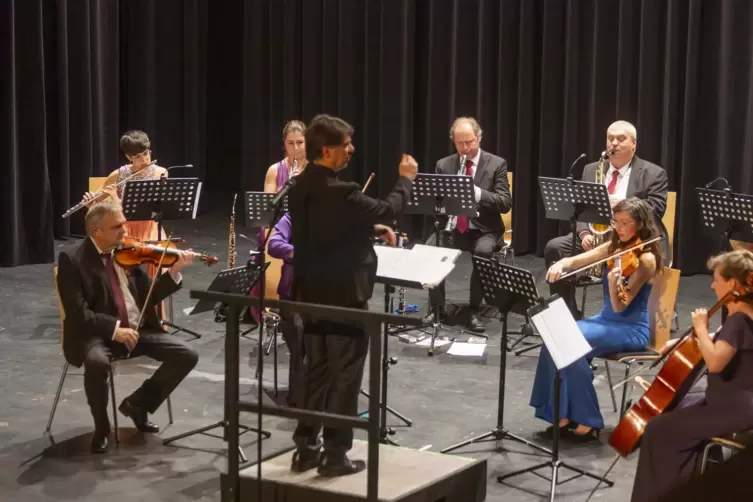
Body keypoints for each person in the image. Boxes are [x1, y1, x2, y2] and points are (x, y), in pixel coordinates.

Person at [288, 114, 417, 476]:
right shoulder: (340, 191)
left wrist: (365, 227)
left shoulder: (298, 187)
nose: (351, 149)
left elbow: (326, 232)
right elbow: (389, 209)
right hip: (344, 297)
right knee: (346, 377)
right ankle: (335, 455)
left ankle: (305, 449)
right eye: (346, 144)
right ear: (327, 151)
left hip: (310, 295)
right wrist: (405, 179)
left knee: (316, 373)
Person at [56, 200, 199, 454]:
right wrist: (114, 330)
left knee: (186, 354)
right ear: (97, 230)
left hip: (136, 330)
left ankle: (138, 405)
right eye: (118, 227)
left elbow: (148, 296)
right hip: (95, 335)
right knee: (98, 363)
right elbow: (79, 315)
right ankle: (102, 428)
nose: (125, 231)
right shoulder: (72, 260)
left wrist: (174, 272)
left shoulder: (126, 254)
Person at [532, 197, 663, 440]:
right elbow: (583, 258)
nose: (620, 228)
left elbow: (620, 305)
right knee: (554, 338)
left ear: (641, 225)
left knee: (569, 342)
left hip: (630, 328)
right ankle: (562, 413)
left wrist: (614, 282)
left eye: (626, 223)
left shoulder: (646, 260)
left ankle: (588, 419)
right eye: (617, 222)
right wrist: (563, 263)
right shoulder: (616, 245)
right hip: (605, 321)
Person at [631, 248, 753, 502]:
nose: (712, 285)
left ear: (732, 283)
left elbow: (716, 362)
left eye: (717, 279)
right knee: (680, 408)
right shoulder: (746, 314)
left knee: (657, 429)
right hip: (741, 403)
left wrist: (699, 326)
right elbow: (722, 341)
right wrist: (680, 340)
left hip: (729, 409)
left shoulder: (738, 319)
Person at [544, 121, 669, 319]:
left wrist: (624, 203)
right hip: (595, 234)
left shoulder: (653, 173)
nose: (614, 144)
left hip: (631, 239)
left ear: (634, 143)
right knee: (555, 247)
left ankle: (617, 317)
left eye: (621, 139)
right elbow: (580, 206)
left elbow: (658, 210)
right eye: (610, 139)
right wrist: (584, 232)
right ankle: (568, 315)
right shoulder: (591, 169)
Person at [424, 117, 512, 333]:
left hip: (484, 229)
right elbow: (434, 203)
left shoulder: (496, 164)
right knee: (430, 250)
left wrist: (478, 193)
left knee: (482, 253)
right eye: (459, 143)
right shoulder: (444, 165)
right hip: (453, 227)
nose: (464, 149)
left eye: (469, 142)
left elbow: (505, 202)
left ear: (479, 138)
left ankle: (474, 309)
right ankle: (436, 309)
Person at [267, 212, 303, 407]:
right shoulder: (291, 218)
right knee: (300, 333)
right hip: (293, 295)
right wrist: (300, 251)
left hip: (326, 293)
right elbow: (274, 245)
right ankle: (299, 397)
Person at [264, 120, 308, 193]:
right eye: (290, 143)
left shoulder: (317, 169)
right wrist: (285, 189)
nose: (295, 148)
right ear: (284, 143)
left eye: (300, 142)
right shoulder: (274, 171)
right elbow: (269, 204)